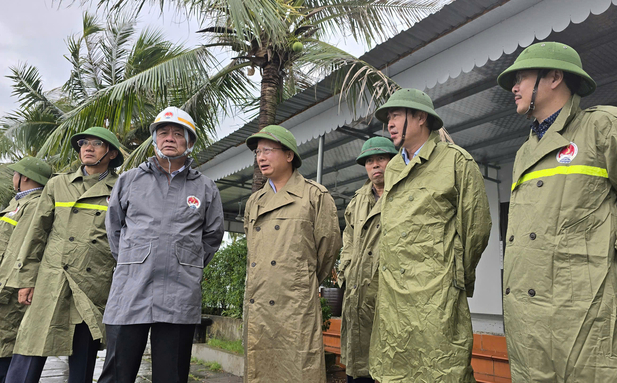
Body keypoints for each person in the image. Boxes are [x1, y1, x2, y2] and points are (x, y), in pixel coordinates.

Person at [497, 41, 617, 382]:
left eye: (522, 77)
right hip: (530, 327)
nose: (514, 87)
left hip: (587, 319)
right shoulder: (523, 152)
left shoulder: (604, 128)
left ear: (554, 77)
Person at [368, 88, 492, 382]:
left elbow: (476, 228)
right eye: (388, 117)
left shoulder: (455, 162)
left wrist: (452, 277)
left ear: (421, 117)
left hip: (436, 296)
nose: (390, 124)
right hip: (394, 298)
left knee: (441, 370)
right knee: (395, 370)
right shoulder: (394, 167)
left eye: (396, 115)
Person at [97, 107, 224, 383]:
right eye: (163, 132)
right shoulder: (130, 180)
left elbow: (212, 236)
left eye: (178, 134)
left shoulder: (205, 188)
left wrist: (186, 262)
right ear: (154, 139)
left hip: (180, 293)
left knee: (172, 376)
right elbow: (114, 228)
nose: (169, 138)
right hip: (130, 291)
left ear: (189, 143)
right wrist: (134, 260)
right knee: (117, 374)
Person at [5, 127, 123, 383]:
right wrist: (26, 279)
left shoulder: (121, 189)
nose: (87, 148)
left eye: (96, 144)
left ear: (111, 153)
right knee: (30, 350)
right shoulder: (58, 185)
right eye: (83, 143)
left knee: (82, 362)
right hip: (52, 279)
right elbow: (36, 234)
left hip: (92, 285)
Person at [242, 125, 342, 383]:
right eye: (257, 152)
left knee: (299, 370)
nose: (260, 157)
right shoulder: (255, 202)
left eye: (268, 150)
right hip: (260, 303)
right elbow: (253, 249)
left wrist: (301, 279)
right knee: (261, 371)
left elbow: (328, 248)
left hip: (295, 305)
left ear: (289, 156)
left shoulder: (315, 195)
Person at [337, 137, 397, 383]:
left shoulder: (405, 193)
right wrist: (346, 272)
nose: (375, 165)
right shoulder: (357, 201)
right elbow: (347, 242)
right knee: (359, 366)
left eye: (381, 159)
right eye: (369, 161)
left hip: (390, 294)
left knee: (390, 364)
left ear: (393, 160)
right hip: (357, 295)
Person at [0, 157, 51, 383]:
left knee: (6, 344)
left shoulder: (34, 205)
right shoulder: (18, 203)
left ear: (25, 177)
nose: (13, 178)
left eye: (16, 174)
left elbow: (18, 250)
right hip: (7, 285)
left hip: (9, 289)